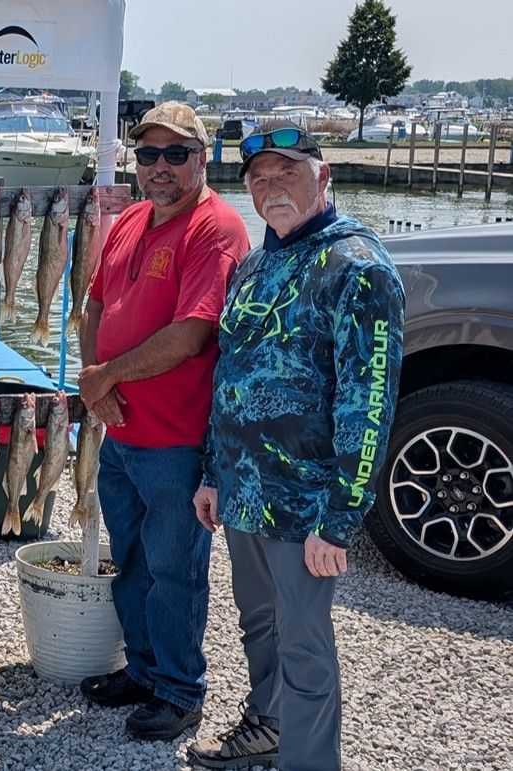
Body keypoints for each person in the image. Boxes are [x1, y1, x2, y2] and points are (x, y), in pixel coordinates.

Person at [188, 121, 403, 771]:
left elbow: (369, 409)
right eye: (260, 179)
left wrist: (339, 523)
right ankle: (268, 728)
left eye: (288, 173)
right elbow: (230, 374)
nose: (272, 187)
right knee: (259, 623)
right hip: (245, 494)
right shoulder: (256, 264)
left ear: (324, 175)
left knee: (306, 650)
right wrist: (211, 472)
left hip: (306, 507)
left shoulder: (357, 268)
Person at [74, 102, 249, 741]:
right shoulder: (128, 221)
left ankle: (179, 689)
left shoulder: (216, 228)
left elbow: (192, 335)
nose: (160, 168)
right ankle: (144, 672)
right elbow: (94, 303)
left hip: (176, 440)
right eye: (148, 155)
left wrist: (105, 377)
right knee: (134, 560)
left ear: (203, 159)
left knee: (177, 568)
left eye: (176, 154)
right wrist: (98, 384)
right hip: (119, 430)